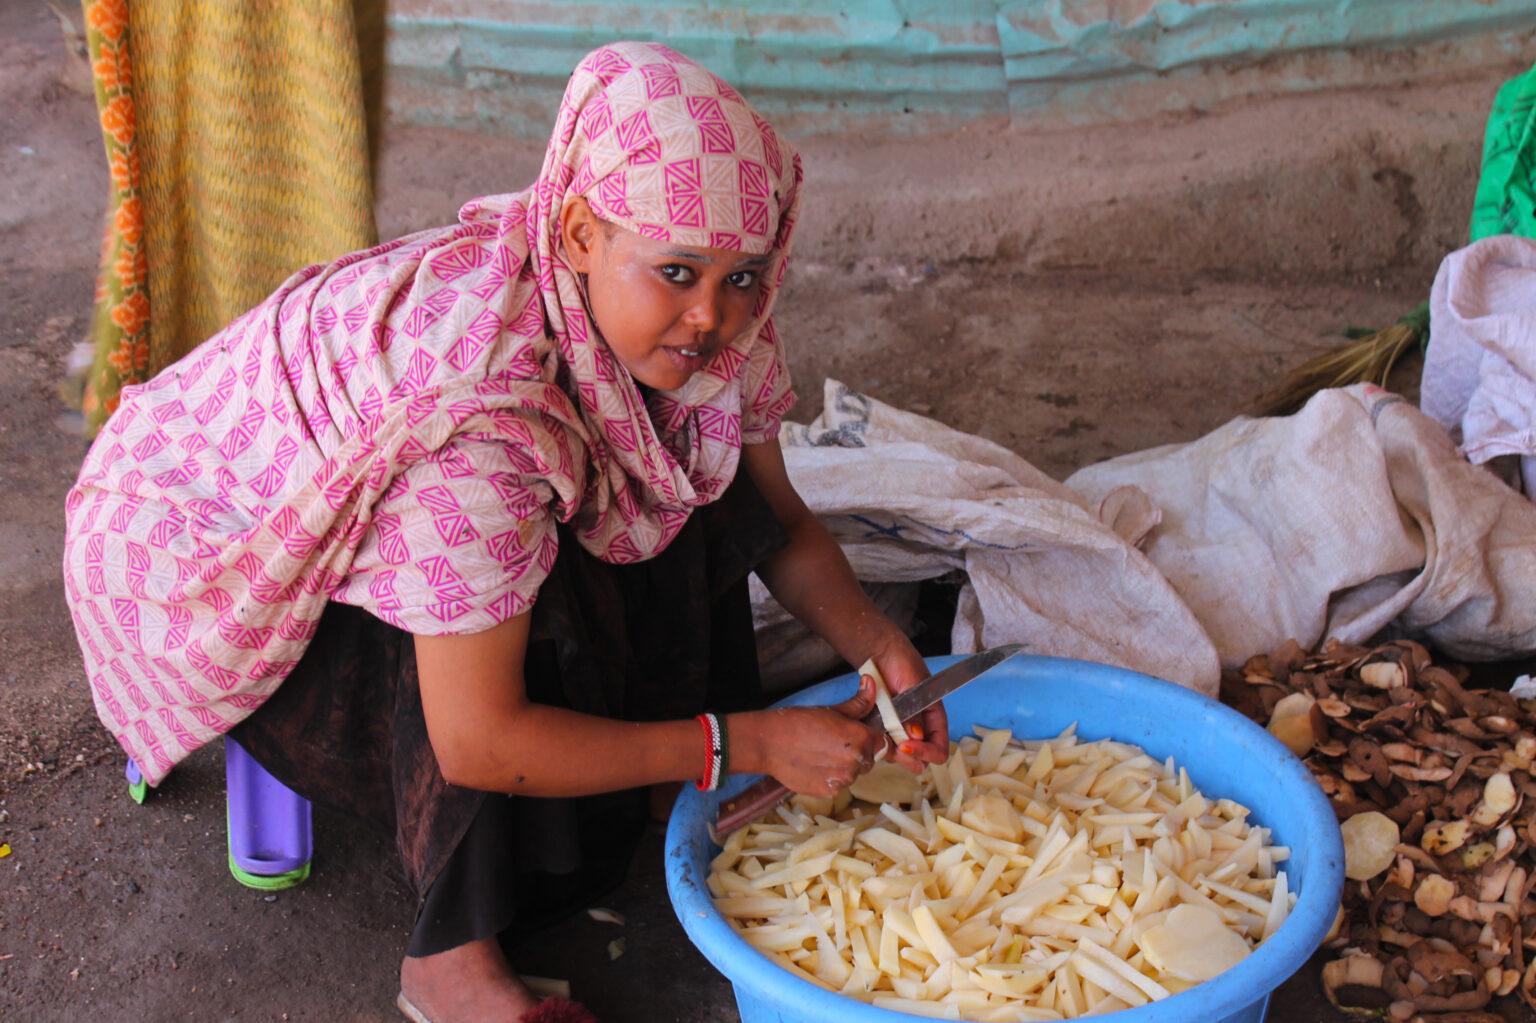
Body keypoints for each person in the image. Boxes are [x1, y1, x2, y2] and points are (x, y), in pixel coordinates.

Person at [62, 41, 949, 1022]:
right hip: (205, 576)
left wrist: (881, 646)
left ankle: (665, 781)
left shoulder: (704, 313)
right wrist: (740, 738)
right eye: (678, 272)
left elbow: (775, 518)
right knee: (506, 604)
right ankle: (452, 961)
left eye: (743, 278)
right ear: (577, 232)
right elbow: (480, 740)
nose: (711, 316)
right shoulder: (483, 420)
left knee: (696, 468)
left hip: (373, 509)